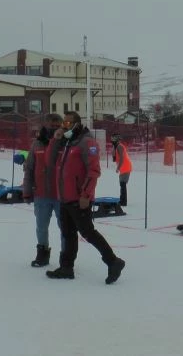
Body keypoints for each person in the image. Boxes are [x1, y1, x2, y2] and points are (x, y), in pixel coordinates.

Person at [46, 111, 125, 284]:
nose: (64, 126)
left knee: (88, 232)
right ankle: (66, 267)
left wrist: (86, 195)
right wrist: (55, 139)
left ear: (77, 124)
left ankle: (113, 261)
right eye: (63, 123)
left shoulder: (87, 142)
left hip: (79, 198)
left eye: (68, 123)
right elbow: (50, 162)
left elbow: (94, 171)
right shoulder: (67, 142)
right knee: (68, 234)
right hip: (64, 197)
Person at [23, 114, 64, 268]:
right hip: (41, 194)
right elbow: (29, 168)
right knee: (41, 227)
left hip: (62, 195)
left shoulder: (66, 142)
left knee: (64, 228)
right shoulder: (37, 144)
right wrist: (27, 190)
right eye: (50, 123)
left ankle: (65, 258)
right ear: (45, 124)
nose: (53, 126)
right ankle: (42, 254)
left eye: (56, 123)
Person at [111, 134, 133, 206]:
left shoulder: (120, 146)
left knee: (122, 184)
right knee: (122, 184)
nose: (112, 140)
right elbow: (114, 159)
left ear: (117, 140)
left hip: (125, 167)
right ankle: (122, 200)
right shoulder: (116, 147)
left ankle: (123, 202)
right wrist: (113, 150)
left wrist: (118, 168)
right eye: (112, 139)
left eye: (114, 139)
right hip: (123, 168)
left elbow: (122, 159)